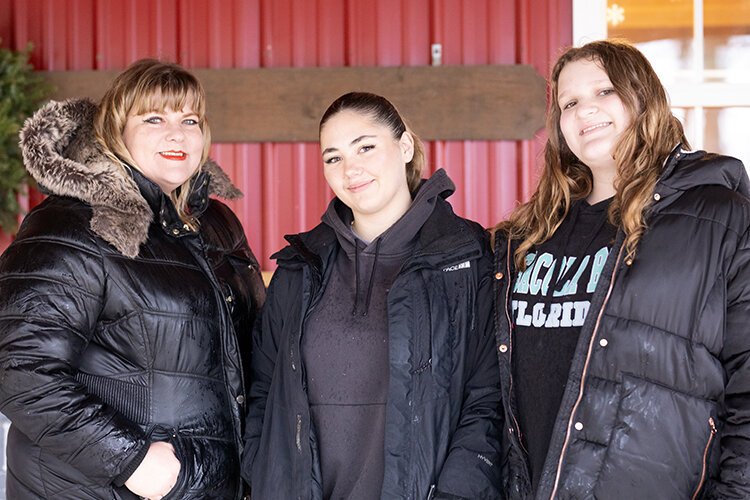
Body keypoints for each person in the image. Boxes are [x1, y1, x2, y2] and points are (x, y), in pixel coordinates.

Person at [492, 39, 750, 499]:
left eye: (604, 91)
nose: (585, 110)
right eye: (569, 102)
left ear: (642, 96)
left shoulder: (717, 216)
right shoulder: (527, 235)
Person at [0, 59, 265, 499]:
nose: (176, 134)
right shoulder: (75, 222)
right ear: (115, 130)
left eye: (190, 119)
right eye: (154, 118)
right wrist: (130, 459)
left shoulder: (216, 223)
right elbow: (17, 365)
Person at [242, 92, 503, 499]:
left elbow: (487, 398)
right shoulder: (300, 267)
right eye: (333, 158)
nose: (351, 169)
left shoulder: (467, 258)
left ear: (404, 146)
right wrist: (264, 474)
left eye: (365, 147)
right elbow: (264, 389)